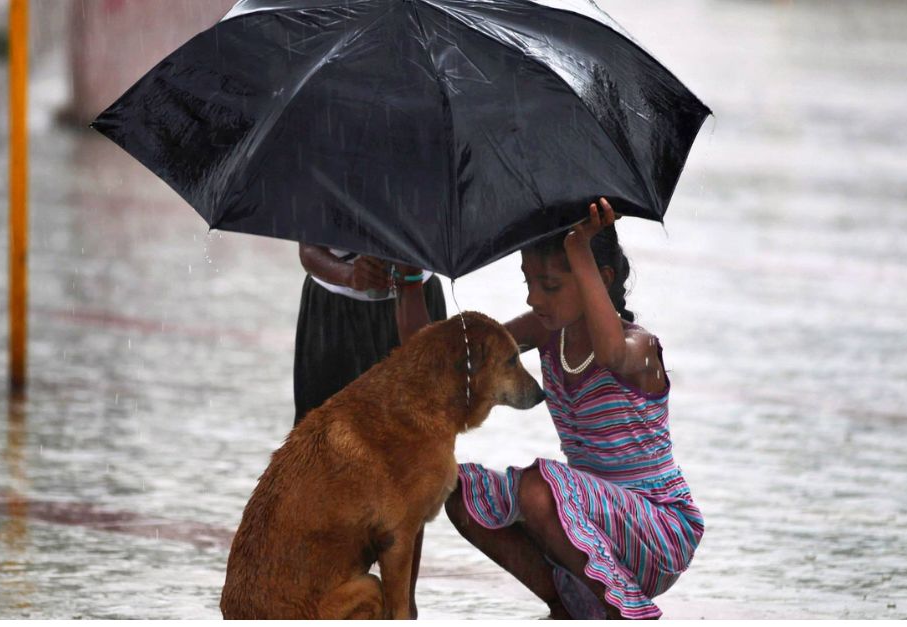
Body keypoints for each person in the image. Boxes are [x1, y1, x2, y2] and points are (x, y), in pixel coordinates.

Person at [393, 198, 703, 619]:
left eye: (550, 285)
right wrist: (409, 276)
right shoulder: (545, 331)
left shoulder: (639, 347)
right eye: (529, 282)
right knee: (459, 491)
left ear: (601, 278)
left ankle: (622, 613)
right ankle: (566, 605)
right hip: (582, 527)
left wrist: (580, 245)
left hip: (659, 529)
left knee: (539, 488)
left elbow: (610, 353)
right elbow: (438, 360)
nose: (535, 298)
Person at [293, 244, 447, 425]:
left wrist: (409, 277)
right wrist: (348, 275)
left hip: (418, 292)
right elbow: (309, 250)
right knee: (322, 434)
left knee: (422, 426)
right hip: (334, 306)